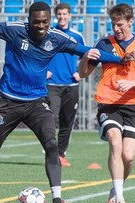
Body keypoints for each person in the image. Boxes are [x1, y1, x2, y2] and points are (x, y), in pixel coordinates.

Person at [0, 2, 134, 203]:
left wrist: (119, 60)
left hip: (37, 103)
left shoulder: (57, 38)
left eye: (45, 21)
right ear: (29, 20)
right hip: (8, 103)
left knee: (51, 145)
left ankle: (56, 200)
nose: (41, 26)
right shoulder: (14, 30)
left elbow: (89, 52)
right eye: (37, 22)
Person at [78, 3, 135, 203]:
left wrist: (131, 83)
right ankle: (120, 200)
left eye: (120, 24)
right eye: (113, 24)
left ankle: (115, 190)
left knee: (128, 157)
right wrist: (85, 57)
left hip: (134, 105)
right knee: (114, 140)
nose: (116, 28)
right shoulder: (103, 43)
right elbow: (84, 73)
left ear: (130, 22)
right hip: (108, 103)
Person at [46, 3, 85, 167]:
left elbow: (87, 55)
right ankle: (50, 153)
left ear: (70, 16)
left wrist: (81, 73)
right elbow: (39, 53)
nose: (62, 17)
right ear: (56, 16)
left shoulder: (77, 36)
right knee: (50, 119)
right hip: (51, 84)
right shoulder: (49, 33)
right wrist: (44, 71)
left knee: (67, 121)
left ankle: (61, 154)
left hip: (71, 85)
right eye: (59, 14)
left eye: (65, 14)